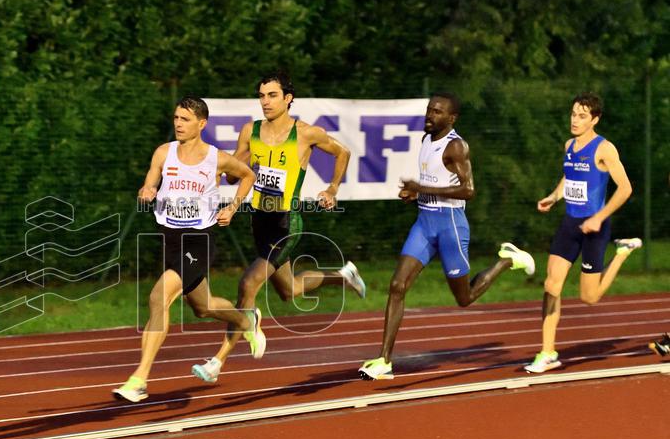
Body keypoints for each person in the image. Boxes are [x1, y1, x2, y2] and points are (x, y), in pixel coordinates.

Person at [191, 72, 365, 384]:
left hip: (287, 222)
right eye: (261, 96)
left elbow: (344, 152)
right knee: (289, 290)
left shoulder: (306, 133)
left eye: (272, 95)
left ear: (287, 98)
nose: (266, 102)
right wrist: (229, 172)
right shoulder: (251, 131)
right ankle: (343, 276)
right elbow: (233, 172)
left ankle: (218, 360)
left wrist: (332, 188)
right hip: (260, 220)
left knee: (248, 284)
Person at [359, 92, 536, 380]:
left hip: (450, 225)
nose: (430, 115)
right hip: (424, 223)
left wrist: (422, 189)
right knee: (397, 285)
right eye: (429, 109)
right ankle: (384, 361)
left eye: (437, 112)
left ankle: (506, 261)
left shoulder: (456, 146)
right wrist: (415, 194)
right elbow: (434, 181)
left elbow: (469, 190)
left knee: (464, 298)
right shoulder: (426, 139)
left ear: (451, 118)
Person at [112, 97, 262, 403]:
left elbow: (248, 175)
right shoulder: (163, 152)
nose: (178, 124)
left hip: (198, 241)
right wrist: (147, 190)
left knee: (159, 297)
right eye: (176, 118)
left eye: (185, 119)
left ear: (201, 124)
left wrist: (232, 207)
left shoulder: (216, 158)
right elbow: (150, 181)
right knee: (203, 307)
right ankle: (246, 320)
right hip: (170, 239)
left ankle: (139, 379)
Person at [525, 91, 641, 373]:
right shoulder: (569, 145)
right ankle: (547, 352)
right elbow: (570, 176)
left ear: (595, 120)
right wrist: (554, 197)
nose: (575, 120)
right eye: (573, 114)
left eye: (582, 116)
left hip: (594, 228)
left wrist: (599, 218)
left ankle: (622, 252)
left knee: (589, 298)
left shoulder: (605, 149)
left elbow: (626, 188)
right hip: (570, 224)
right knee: (551, 285)